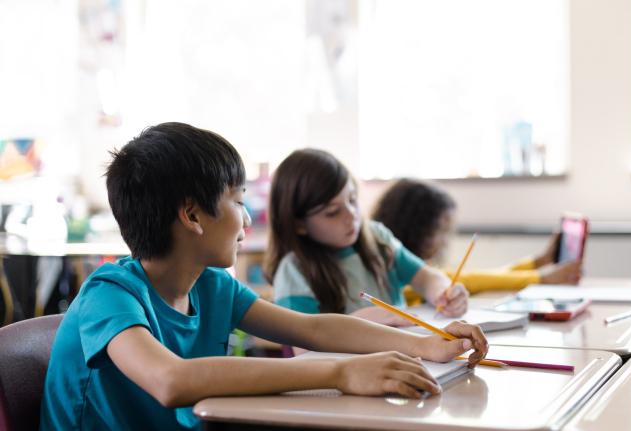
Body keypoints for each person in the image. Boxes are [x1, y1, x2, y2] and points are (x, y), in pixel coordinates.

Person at [39, 124, 488, 430]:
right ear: (192, 215)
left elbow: (312, 328)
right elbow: (170, 380)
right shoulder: (109, 295)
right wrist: (342, 373)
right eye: (238, 202)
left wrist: (424, 344)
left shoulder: (210, 286)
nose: (248, 222)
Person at [265, 149, 469, 327]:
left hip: (405, 356)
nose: (351, 215)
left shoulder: (377, 237)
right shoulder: (293, 272)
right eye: (333, 212)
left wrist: (442, 292)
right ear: (299, 224)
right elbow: (303, 350)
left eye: (352, 199)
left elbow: (426, 278)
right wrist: (359, 324)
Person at [371, 178, 582, 298]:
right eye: (441, 232)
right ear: (416, 228)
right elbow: (468, 280)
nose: (445, 241)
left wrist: (538, 263)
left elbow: (480, 278)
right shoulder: (400, 278)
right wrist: (541, 278)